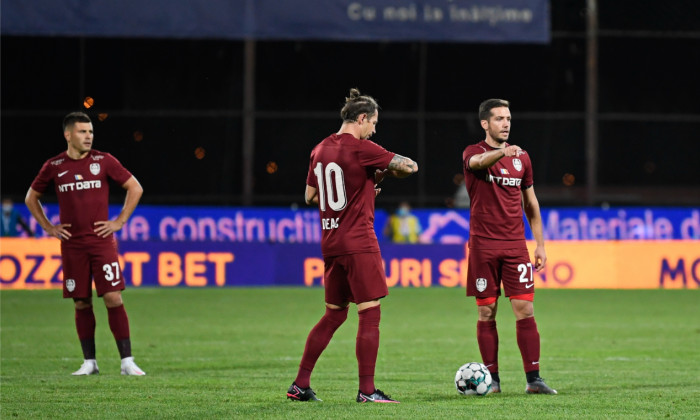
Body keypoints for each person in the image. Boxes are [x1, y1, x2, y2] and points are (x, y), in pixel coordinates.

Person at [287, 88, 418, 403]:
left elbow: (309, 197)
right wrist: (382, 173)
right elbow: (410, 166)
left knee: (334, 314)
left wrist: (360, 185)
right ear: (361, 119)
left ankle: (300, 385)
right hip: (359, 240)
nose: (374, 129)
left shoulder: (319, 149)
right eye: (373, 123)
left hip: (331, 241)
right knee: (369, 314)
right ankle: (367, 391)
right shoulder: (362, 148)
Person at [25, 111, 146, 376]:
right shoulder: (54, 166)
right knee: (81, 302)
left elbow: (135, 187)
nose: (88, 136)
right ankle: (89, 362)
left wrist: (119, 221)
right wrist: (48, 226)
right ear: (68, 135)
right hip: (72, 245)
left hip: (102, 243)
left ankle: (127, 361)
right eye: (82, 132)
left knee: (113, 297)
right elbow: (31, 197)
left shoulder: (103, 161)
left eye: (90, 131)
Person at [461, 99, 556, 394]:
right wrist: (502, 152)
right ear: (485, 124)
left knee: (525, 308)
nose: (506, 123)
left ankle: (534, 379)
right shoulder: (473, 153)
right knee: (487, 312)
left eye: (509, 118)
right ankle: (493, 381)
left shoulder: (522, 159)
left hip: (515, 245)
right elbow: (477, 164)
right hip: (483, 246)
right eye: (500, 118)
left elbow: (531, 203)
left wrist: (539, 244)